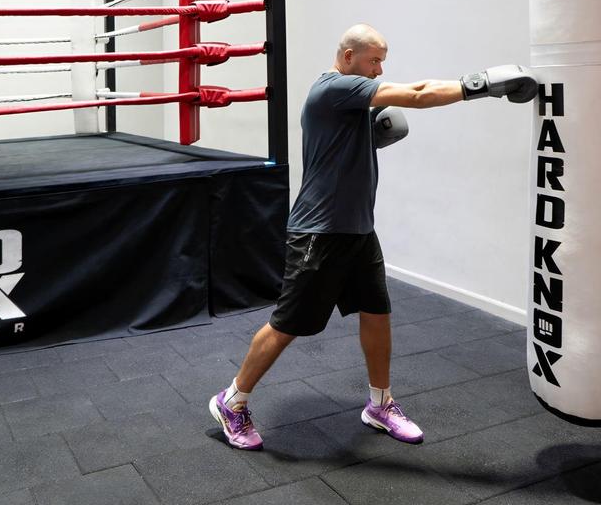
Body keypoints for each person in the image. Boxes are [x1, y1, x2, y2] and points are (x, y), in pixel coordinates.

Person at [209, 23, 537, 450]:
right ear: (348, 57)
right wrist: (480, 85)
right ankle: (232, 400)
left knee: (377, 313)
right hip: (320, 231)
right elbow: (417, 93)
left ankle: (380, 403)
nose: (380, 70)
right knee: (287, 325)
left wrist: (369, 139)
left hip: (359, 230)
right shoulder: (335, 88)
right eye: (374, 61)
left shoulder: (351, 102)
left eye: (382, 61)